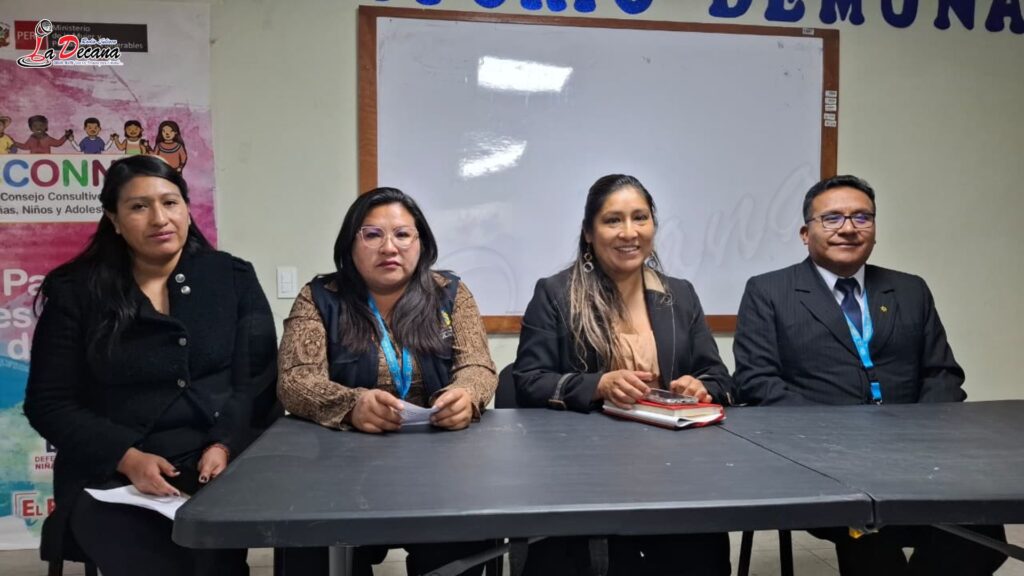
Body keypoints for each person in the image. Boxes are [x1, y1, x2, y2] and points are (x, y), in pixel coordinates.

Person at [733, 174, 1006, 575]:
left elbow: (943, 374)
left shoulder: (910, 290)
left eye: (862, 217)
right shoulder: (769, 291)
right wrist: (839, 441)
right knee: (871, 539)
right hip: (822, 460)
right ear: (806, 234)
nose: (848, 228)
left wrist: (919, 436)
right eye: (832, 218)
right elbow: (757, 382)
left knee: (983, 536)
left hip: (917, 455)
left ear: (874, 230)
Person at [24, 155, 280, 576]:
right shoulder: (77, 291)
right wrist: (126, 457)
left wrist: (224, 444)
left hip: (211, 463)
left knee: (214, 561)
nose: (160, 219)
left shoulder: (232, 277)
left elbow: (256, 382)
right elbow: (48, 403)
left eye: (170, 202)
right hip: (111, 471)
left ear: (187, 209)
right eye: (139, 206)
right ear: (114, 219)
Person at [513, 174, 734, 576]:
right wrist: (598, 385)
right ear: (588, 232)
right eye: (613, 220)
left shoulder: (680, 294)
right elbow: (528, 380)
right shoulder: (556, 293)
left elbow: (718, 375)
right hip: (585, 471)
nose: (629, 232)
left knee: (701, 551)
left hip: (676, 469)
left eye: (640, 218)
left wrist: (701, 386)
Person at [277, 187, 497, 575]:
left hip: (439, 464)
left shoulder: (450, 294)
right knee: (308, 550)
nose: (389, 247)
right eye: (372, 235)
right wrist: (351, 405)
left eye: (402, 234)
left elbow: (478, 365)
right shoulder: (319, 297)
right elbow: (295, 379)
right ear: (350, 244)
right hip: (343, 465)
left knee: (464, 542)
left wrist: (466, 394)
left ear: (421, 243)